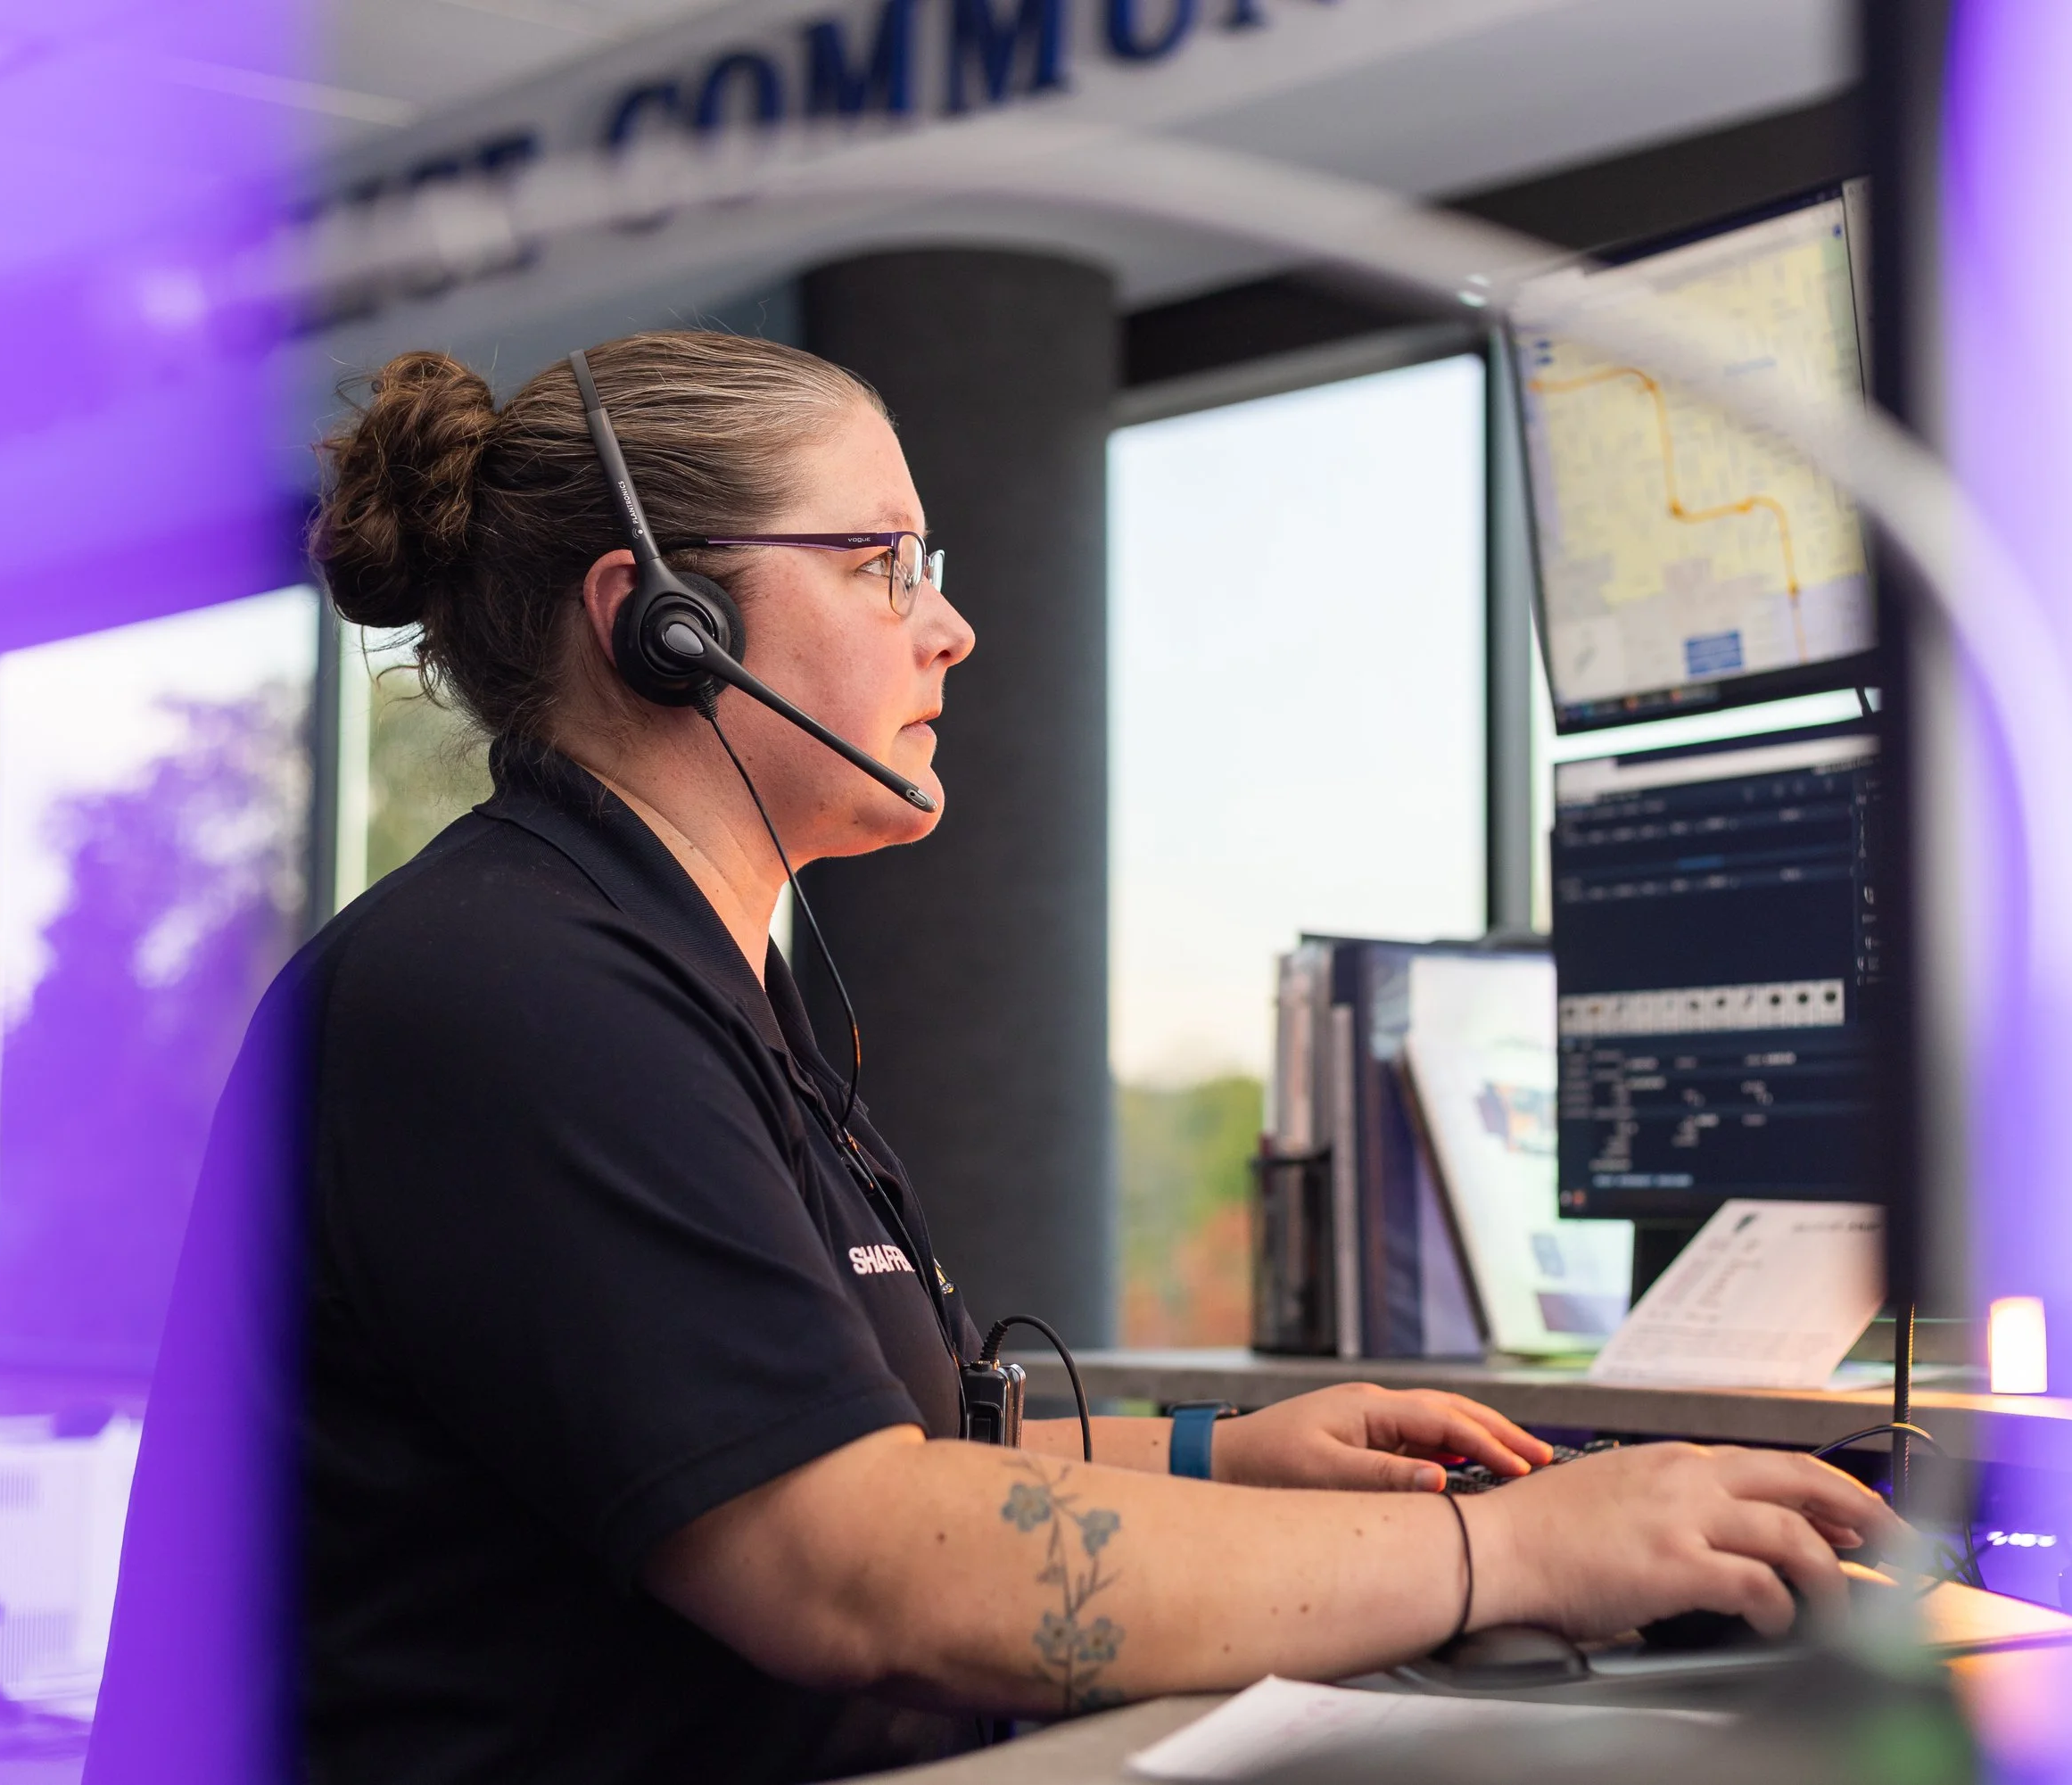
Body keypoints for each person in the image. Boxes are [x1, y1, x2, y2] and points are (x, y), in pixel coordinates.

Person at [289, 331, 1895, 1783]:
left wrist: (1232, 1452)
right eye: (881, 566)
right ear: (660, 625)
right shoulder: (513, 994)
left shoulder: (687, 971)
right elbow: (851, 1556)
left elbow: (856, 1432)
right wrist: (1524, 1558)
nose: (954, 629)